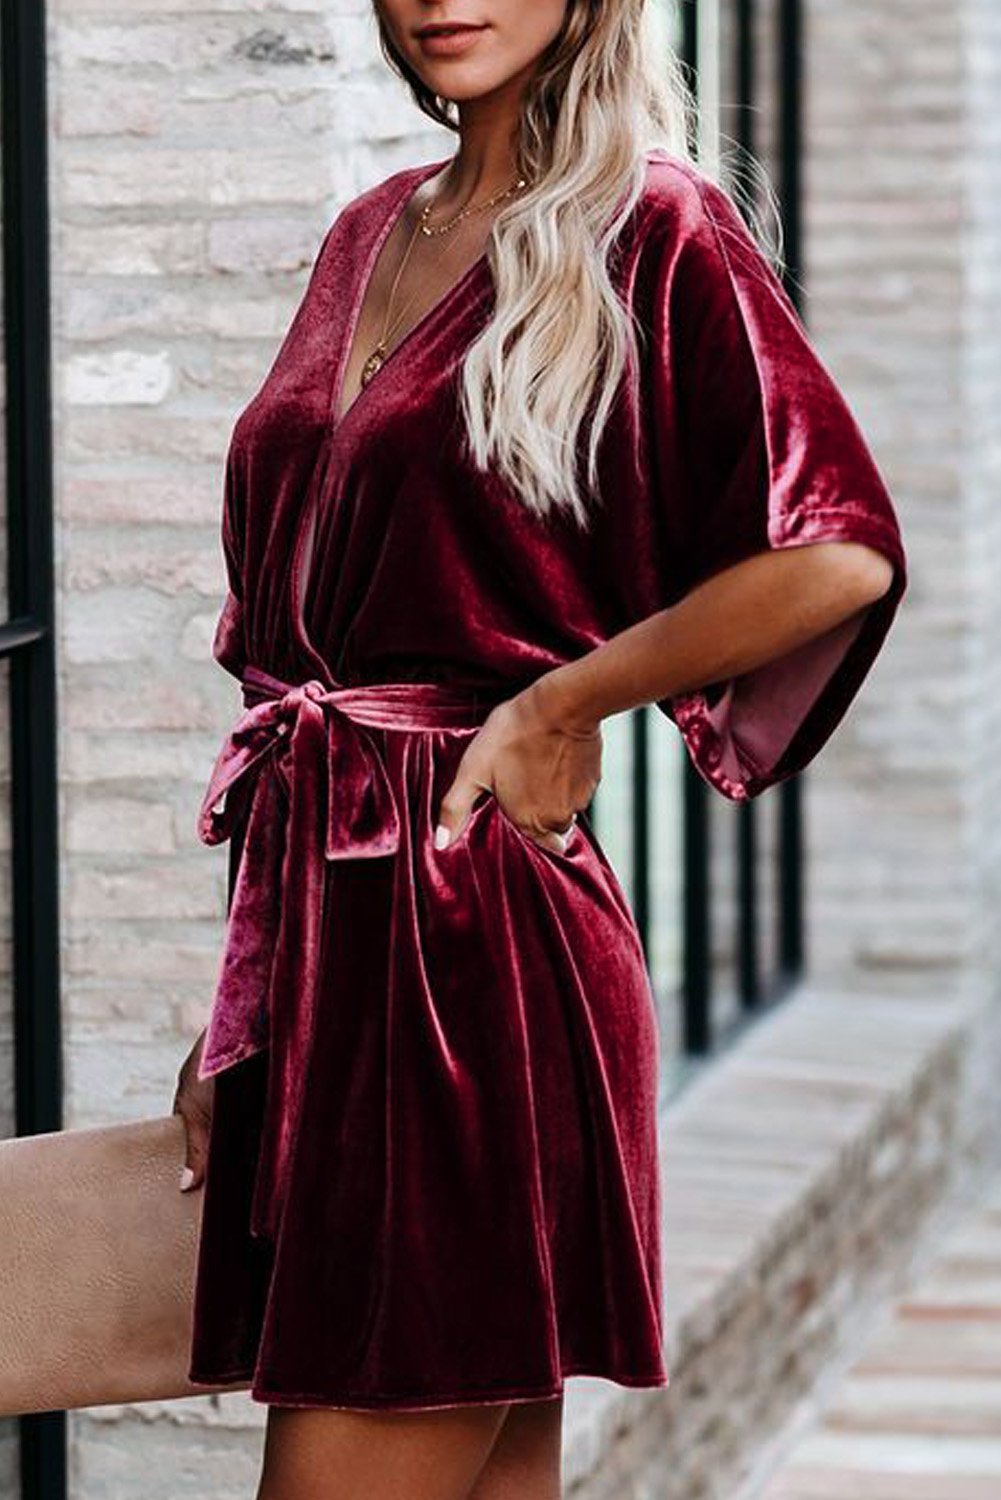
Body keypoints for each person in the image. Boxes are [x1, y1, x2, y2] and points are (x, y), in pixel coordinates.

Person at [171, 1, 908, 1496]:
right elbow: (301, 656)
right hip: (341, 928)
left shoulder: (655, 226)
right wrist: (247, 1007)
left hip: (471, 940)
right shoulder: (373, 227)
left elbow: (830, 553)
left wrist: (557, 705)